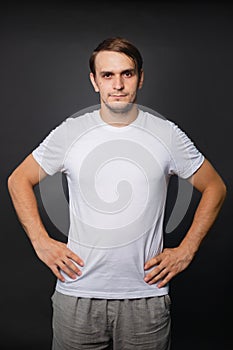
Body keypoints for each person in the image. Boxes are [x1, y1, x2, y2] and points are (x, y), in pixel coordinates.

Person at [8, 37, 226, 350]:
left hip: (146, 298)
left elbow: (215, 187)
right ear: (94, 82)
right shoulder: (71, 132)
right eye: (108, 75)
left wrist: (186, 250)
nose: (118, 84)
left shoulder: (166, 133)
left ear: (141, 78)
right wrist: (41, 242)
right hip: (77, 295)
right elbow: (18, 180)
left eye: (127, 73)